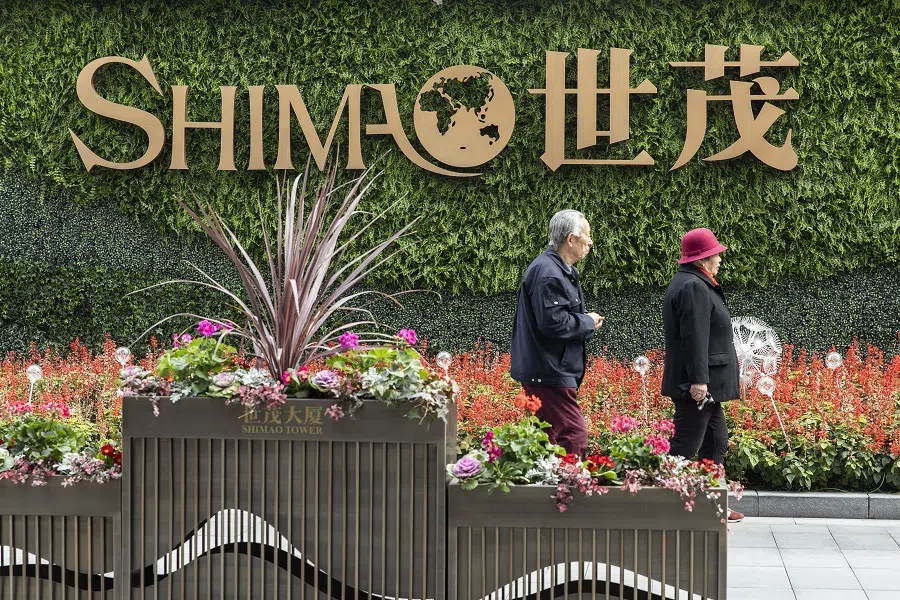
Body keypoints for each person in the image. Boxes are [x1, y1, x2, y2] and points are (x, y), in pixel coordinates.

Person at [661, 227, 743, 522]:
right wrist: (699, 380)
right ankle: (660, 502)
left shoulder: (696, 283)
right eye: (715, 253)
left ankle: (713, 505)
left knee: (715, 441)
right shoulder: (693, 287)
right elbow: (694, 337)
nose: (720, 257)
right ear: (701, 259)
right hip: (696, 384)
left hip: (706, 384)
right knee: (685, 445)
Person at [510, 209, 604, 457]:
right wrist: (587, 322)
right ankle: (571, 491)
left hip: (548, 369)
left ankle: (550, 492)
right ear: (571, 239)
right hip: (549, 372)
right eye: (587, 235)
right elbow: (553, 323)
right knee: (573, 436)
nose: (591, 241)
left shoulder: (556, 268)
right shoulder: (549, 272)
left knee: (547, 439)